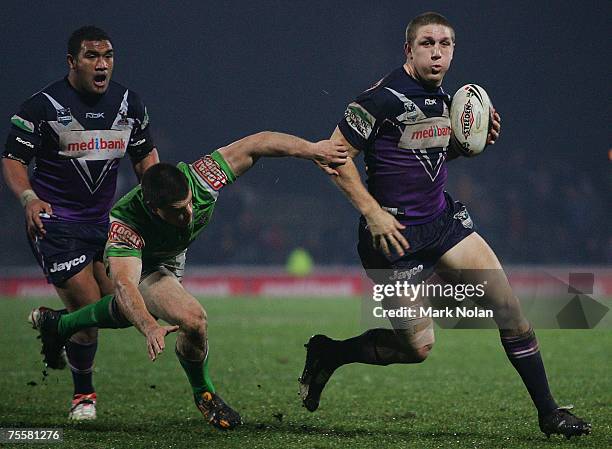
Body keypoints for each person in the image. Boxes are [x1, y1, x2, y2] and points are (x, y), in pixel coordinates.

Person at [298, 12, 591, 439]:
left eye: (445, 44)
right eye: (427, 44)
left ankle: (549, 413)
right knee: (417, 348)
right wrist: (373, 212)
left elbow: (426, 157)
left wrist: (467, 144)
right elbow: (334, 158)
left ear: (453, 50)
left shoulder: (448, 102)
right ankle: (330, 353)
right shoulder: (378, 99)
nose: (437, 52)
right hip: (391, 238)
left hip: (442, 223)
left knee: (509, 310)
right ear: (409, 50)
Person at [29, 131, 348, 430]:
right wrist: (149, 327)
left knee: (135, 313)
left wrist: (313, 150)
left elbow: (258, 143)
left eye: (190, 204)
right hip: (146, 264)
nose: (190, 213)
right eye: (179, 211)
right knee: (192, 320)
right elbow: (125, 285)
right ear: (154, 209)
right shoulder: (125, 227)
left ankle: (61, 325)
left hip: (171, 256)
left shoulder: (201, 178)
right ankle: (204, 393)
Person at [2, 26, 160, 420]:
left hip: (105, 224)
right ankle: (83, 397)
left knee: (125, 310)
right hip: (56, 225)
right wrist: (28, 198)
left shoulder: (128, 105)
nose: (102, 63)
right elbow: (13, 160)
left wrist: (157, 201)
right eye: (92, 56)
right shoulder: (42, 107)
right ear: (72, 62)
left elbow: (145, 157)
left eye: (108, 55)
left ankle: (57, 325)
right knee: (90, 316)